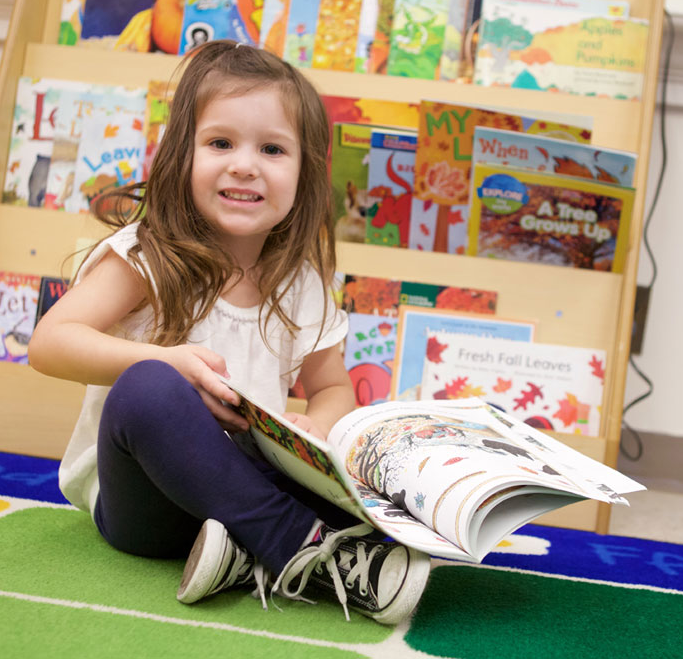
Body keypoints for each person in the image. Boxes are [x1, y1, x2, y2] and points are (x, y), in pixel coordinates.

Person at [28, 40, 430, 625]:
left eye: (272, 149)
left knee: (374, 464)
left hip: (248, 476)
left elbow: (331, 388)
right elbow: (48, 344)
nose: (245, 164)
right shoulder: (147, 256)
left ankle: (242, 551)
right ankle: (304, 550)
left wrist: (315, 424)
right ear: (180, 155)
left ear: (305, 171)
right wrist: (166, 360)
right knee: (149, 387)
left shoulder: (303, 282)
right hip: (146, 507)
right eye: (220, 143)